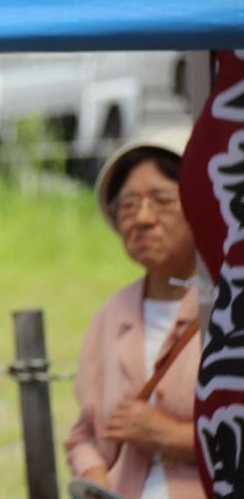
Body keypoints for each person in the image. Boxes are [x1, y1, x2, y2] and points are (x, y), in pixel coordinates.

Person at [64, 130, 202, 499]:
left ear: (201, 204)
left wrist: (171, 436)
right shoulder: (110, 316)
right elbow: (83, 436)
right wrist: (96, 477)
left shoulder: (229, 310)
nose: (142, 218)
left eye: (161, 200)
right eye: (127, 206)